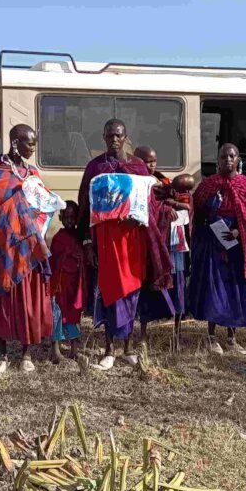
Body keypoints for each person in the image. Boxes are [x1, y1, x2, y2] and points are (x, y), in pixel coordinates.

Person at [77, 120, 172, 370]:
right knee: (109, 293)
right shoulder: (95, 168)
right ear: (103, 137)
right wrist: (88, 242)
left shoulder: (138, 168)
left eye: (118, 135)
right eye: (109, 136)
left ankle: (128, 348)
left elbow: (150, 204)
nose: (114, 140)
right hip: (106, 242)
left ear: (125, 137)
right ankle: (108, 349)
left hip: (132, 241)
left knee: (131, 294)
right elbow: (85, 207)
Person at [0, 124, 53, 373]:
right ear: (15, 143)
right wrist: (18, 207)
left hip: (27, 248)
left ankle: (26, 353)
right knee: (3, 299)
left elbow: (41, 202)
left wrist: (40, 208)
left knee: (26, 302)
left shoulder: (32, 172)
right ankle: (2, 355)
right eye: (29, 143)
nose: (33, 148)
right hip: (4, 246)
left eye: (35, 143)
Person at [189, 144, 246, 354]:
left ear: (238, 159)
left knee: (235, 289)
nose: (227, 160)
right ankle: (211, 337)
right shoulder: (209, 185)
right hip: (212, 246)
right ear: (218, 160)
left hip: (237, 247)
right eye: (223, 156)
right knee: (213, 290)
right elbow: (195, 212)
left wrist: (238, 232)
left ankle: (232, 338)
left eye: (231, 156)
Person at [133, 146, 190, 351]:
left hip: (172, 243)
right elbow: (142, 207)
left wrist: (172, 205)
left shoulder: (164, 182)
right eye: (147, 161)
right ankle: (143, 335)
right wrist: (167, 208)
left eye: (154, 161)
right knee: (148, 287)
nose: (152, 165)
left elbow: (186, 204)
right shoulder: (136, 183)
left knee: (177, 285)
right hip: (150, 244)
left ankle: (177, 333)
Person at [49, 201, 85, 363]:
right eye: (66, 217)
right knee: (57, 314)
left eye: (73, 217)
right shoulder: (58, 238)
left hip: (74, 284)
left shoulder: (80, 237)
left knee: (74, 314)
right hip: (60, 284)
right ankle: (55, 350)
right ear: (60, 217)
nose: (70, 221)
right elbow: (55, 261)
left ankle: (74, 349)